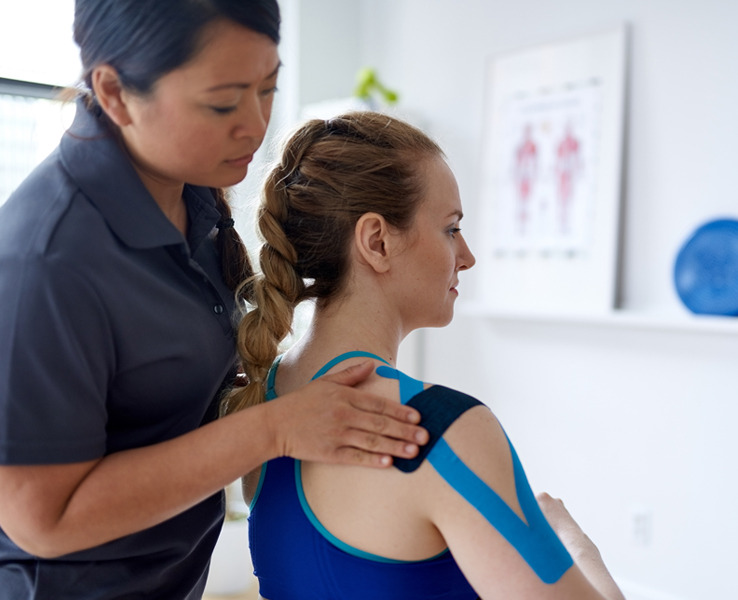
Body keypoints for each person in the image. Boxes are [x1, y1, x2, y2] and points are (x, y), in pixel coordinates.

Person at [0, 2, 429, 598]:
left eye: (269, 88)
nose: (255, 125)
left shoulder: (191, 195)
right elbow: (41, 520)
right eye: (224, 101)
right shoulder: (45, 262)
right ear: (115, 92)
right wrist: (274, 430)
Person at [227, 112, 626, 600]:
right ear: (377, 242)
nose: (467, 256)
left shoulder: (263, 409)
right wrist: (574, 542)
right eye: (451, 228)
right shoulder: (438, 427)